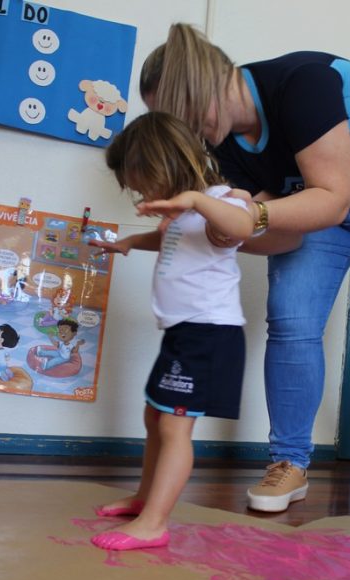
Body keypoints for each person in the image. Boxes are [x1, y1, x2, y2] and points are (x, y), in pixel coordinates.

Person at [137, 23, 350, 526]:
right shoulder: (222, 148)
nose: (184, 134)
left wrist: (253, 215)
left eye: (181, 116)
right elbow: (286, 237)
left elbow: (332, 199)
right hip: (315, 203)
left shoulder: (303, 83)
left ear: (204, 86)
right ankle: (288, 463)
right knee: (291, 319)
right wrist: (228, 233)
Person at [88, 111, 267, 551]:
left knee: (174, 426)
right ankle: (145, 499)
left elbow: (243, 226)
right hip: (184, 333)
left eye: (143, 184)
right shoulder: (185, 212)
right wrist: (131, 242)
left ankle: (155, 523)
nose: (142, 195)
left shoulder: (222, 199)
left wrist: (195, 201)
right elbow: (178, 239)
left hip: (210, 334)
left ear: (164, 165)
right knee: (155, 416)